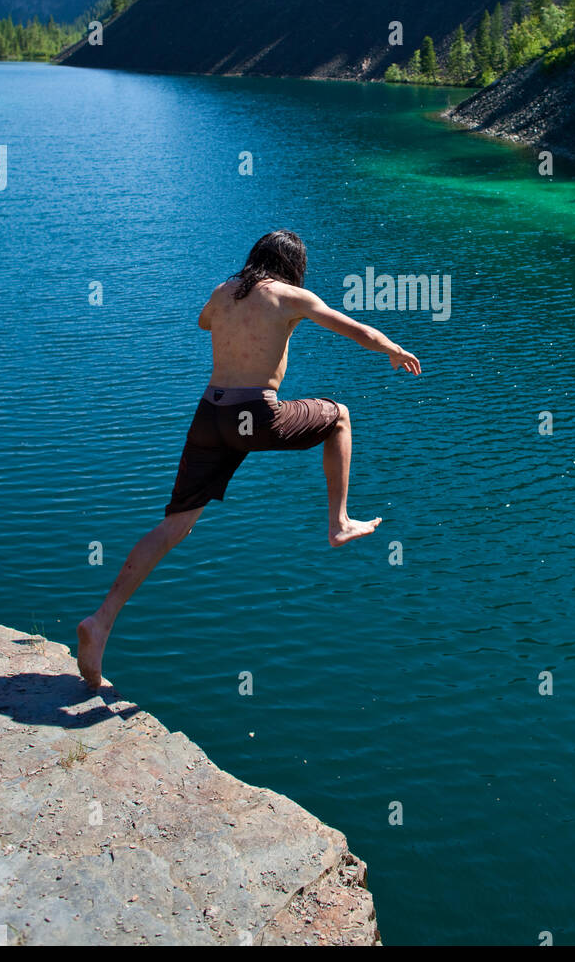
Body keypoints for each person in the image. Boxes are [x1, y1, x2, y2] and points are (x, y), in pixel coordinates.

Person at [76, 230, 421, 689]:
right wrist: (394, 350)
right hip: (254, 414)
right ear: (293, 265)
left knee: (174, 526)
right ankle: (338, 522)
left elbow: (204, 322)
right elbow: (356, 330)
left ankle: (101, 621)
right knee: (339, 417)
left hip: (210, 415)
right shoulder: (291, 297)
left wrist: (235, 298)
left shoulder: (224, 292)